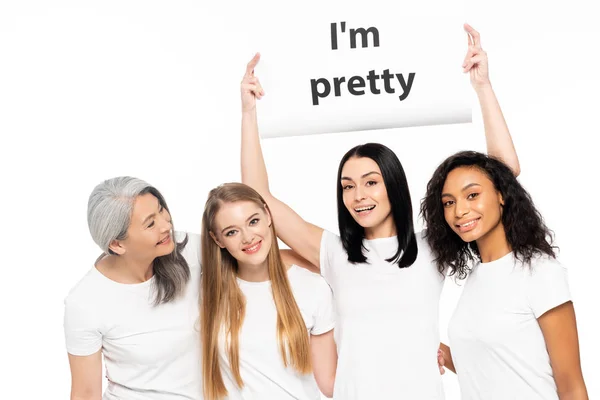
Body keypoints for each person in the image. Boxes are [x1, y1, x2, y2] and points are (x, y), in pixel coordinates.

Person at [239, 24, 520, 399]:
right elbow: (257, 196)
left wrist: (482, 87)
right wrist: (248, 112)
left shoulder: (432, 246)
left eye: (371, 182)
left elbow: (503, 176)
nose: (358, 195)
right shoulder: (335, 253)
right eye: (348, 186)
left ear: (393, 185)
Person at [421, 151, 589, 399]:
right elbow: (489, 363)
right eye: (449, 202)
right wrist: (437, 351)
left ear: (501, 195)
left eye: (472, 195)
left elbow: (571, 385)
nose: (459, 211)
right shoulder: (477, 276)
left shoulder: (540, 271)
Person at [63, 176, 202, 400]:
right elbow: (85, 393)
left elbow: (262, 250)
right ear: (117, 244)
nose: (166, 225)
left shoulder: (189, 250)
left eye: (161, 210)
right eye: (150, 223)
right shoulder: (85, 302)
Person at [200, 182, 337, 399]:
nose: (247, 237)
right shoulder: (206, 294)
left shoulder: (312, 288)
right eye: (232, 232)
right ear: (217, 239)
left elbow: (330, 383)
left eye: (253, 221)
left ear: (268, 215)